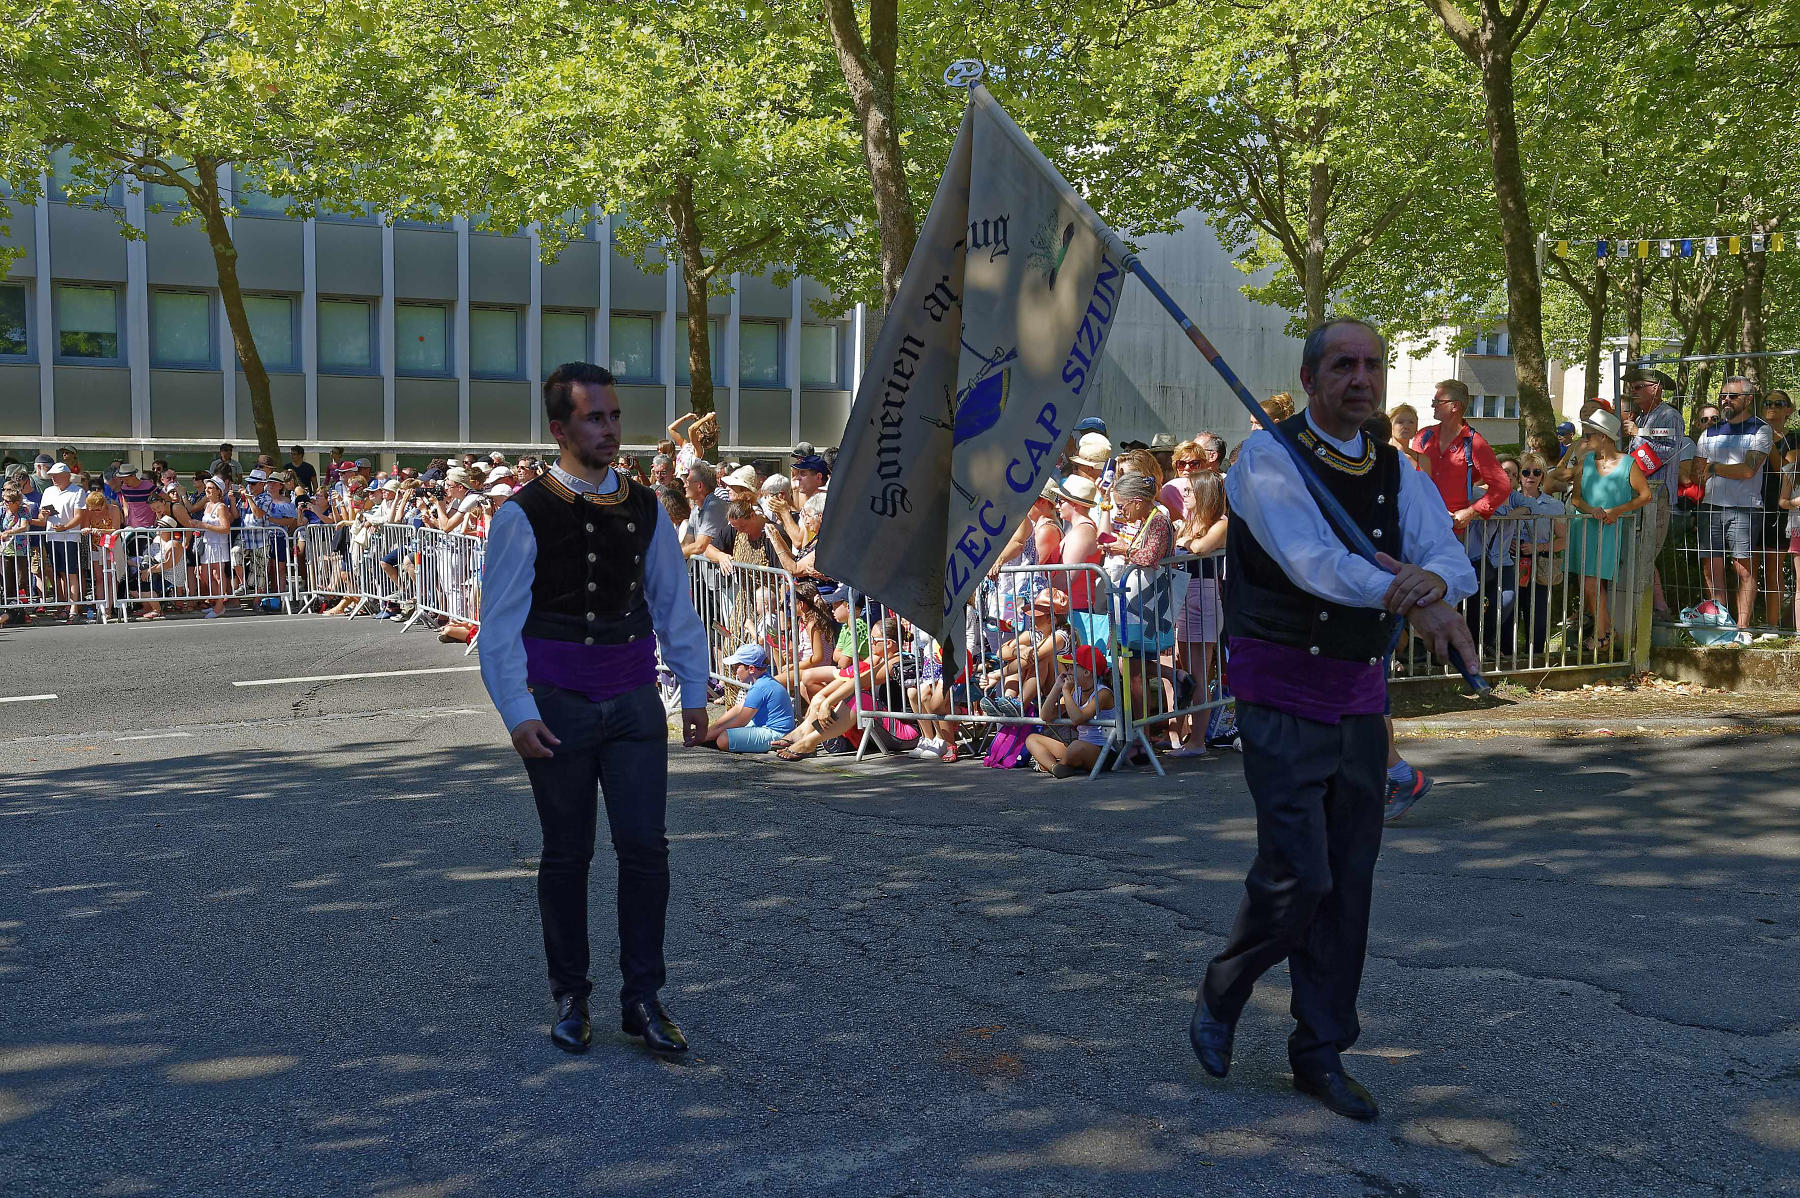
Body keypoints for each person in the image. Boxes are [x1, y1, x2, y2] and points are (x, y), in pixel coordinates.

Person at [1189, 318, 1477, 1123]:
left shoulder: (1395, 468)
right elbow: (1310, 561)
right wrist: (1402, 593)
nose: (1361, 378)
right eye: (1343, 365)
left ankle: (1319, 1053)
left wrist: (1429, 583)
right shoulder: (1268, 460)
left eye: (1372, 365)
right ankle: (1226, 985)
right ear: (1311, 377)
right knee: (1300, 874)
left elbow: (1449, 555)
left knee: (1348, 884)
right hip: (1279, 689)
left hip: (1357, 693)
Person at [479, 362, 709, 1057]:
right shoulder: (522, 513)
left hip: (635, 698)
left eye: (613, 416)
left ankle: (643, 997)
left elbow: (673, 603)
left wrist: (693, 691)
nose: (609, 429)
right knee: (568, 851)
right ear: (560, 428)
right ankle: (571, 993)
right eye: (594, 418)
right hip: (558, 703)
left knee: (645, 849)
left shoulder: (644, 506)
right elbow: (498, 625)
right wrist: (517, 710)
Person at [1567, 406, 1654, 654]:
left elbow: (1645, 495)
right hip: (1585, 526)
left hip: (1608, 529)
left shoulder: (1628, 463)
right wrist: (1590, 508)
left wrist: (1617, 511)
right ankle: (1605, 634)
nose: (1584, 440)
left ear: (1603, 437)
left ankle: (1604, 634)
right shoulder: (1585, 464)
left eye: (1588, 435)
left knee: (1593, 584)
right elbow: (1576, 499)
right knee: (1589, 583)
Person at [1695, 378, 1773, 641]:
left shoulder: (1760, 430)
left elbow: (1748, 470)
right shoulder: (1710, 431)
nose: (1725, 400)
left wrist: (1714, 468)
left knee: (1744, 569)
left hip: (1745, 507)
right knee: (1711, 567)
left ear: (1749, 399)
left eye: (1732, 396)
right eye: (1723, 396)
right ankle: (1720, 625)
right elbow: (1696, 470)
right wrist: (1709, 470)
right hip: (1709, 507)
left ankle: (1742, 630)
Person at [1412, 380, 1512, 537]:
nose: (1433, 405)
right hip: (1417, 525)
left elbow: (1502, 486)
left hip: (1450, 531)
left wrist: (1471, 512)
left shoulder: (1474, 442)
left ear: (1455, 406)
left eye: (1438, 401)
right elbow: (1410, 479)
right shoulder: (1423, 436)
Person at [1023, 645, 1115, 778]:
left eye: (1072, 667)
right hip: (1078, 747)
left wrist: (1065, 691)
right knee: (1032, 739)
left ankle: (1052, 764)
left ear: (1087, 672)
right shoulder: (1075, 691)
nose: (1068, 671)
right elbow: (1046, 716)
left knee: (1076, 746)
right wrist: (1057, 687)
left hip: (1102, 751)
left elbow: (1078, 718)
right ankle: (1055, 767)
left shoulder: (1103, 693)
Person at [1511, 451, 1567, 659]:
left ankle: (1535, 658)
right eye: (1526, 472)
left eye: (1537, 472)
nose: (1531, 476)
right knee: (1509, 611)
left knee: (1538, 614)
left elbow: (1563, 540)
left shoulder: (1554, 506)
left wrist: (1538, 547)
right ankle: (1507, 656)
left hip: (1539, 565)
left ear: (1543, 476)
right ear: (1519, 476)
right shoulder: (1508, 501)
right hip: (1510, 563)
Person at [1753, 390, 1798, 631]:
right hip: (1749, 506)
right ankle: (1743, 626)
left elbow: (1785, 470)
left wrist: (1768, 442)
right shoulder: (1751, 434)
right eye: (1767, 403)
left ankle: (1773, 627)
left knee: (1774, 568)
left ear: (1788, 410)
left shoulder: (1795, 439)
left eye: (1778, 403)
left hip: (1779, 510)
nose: (1772, 407)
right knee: (1746, 567)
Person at [702, 643, 796, 753]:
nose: (734, 671)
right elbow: (737, 709)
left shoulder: (759, 688)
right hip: (768, 728)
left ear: (751, 669)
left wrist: (706, 736)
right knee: (721, 734)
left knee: (723, 739)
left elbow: (740, 721)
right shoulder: (762, 681)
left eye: (737, 667)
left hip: (776, 733)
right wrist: (710, 730)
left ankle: (778, 744)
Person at [39, 461, 87, 619]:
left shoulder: (77, 491)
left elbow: (79, 516)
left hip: (70, 537)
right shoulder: (48, 491)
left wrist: (65, 527)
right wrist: (44, 515)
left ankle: (73, 607)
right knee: (59, 573)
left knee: (71, 573)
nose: (53, 478)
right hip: (52, 536)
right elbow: (41, 516)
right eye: (52, 476)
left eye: (56, 476)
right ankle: (66, 605)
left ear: (67, 476)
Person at [1387, 404, 1427, 472]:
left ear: (1416, 427)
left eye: (1411, 422)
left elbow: (1425, 482)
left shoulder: (1423, 461)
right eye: (1400, 422)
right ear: (1390, 426)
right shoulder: (1381, 454)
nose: (1406, 426)